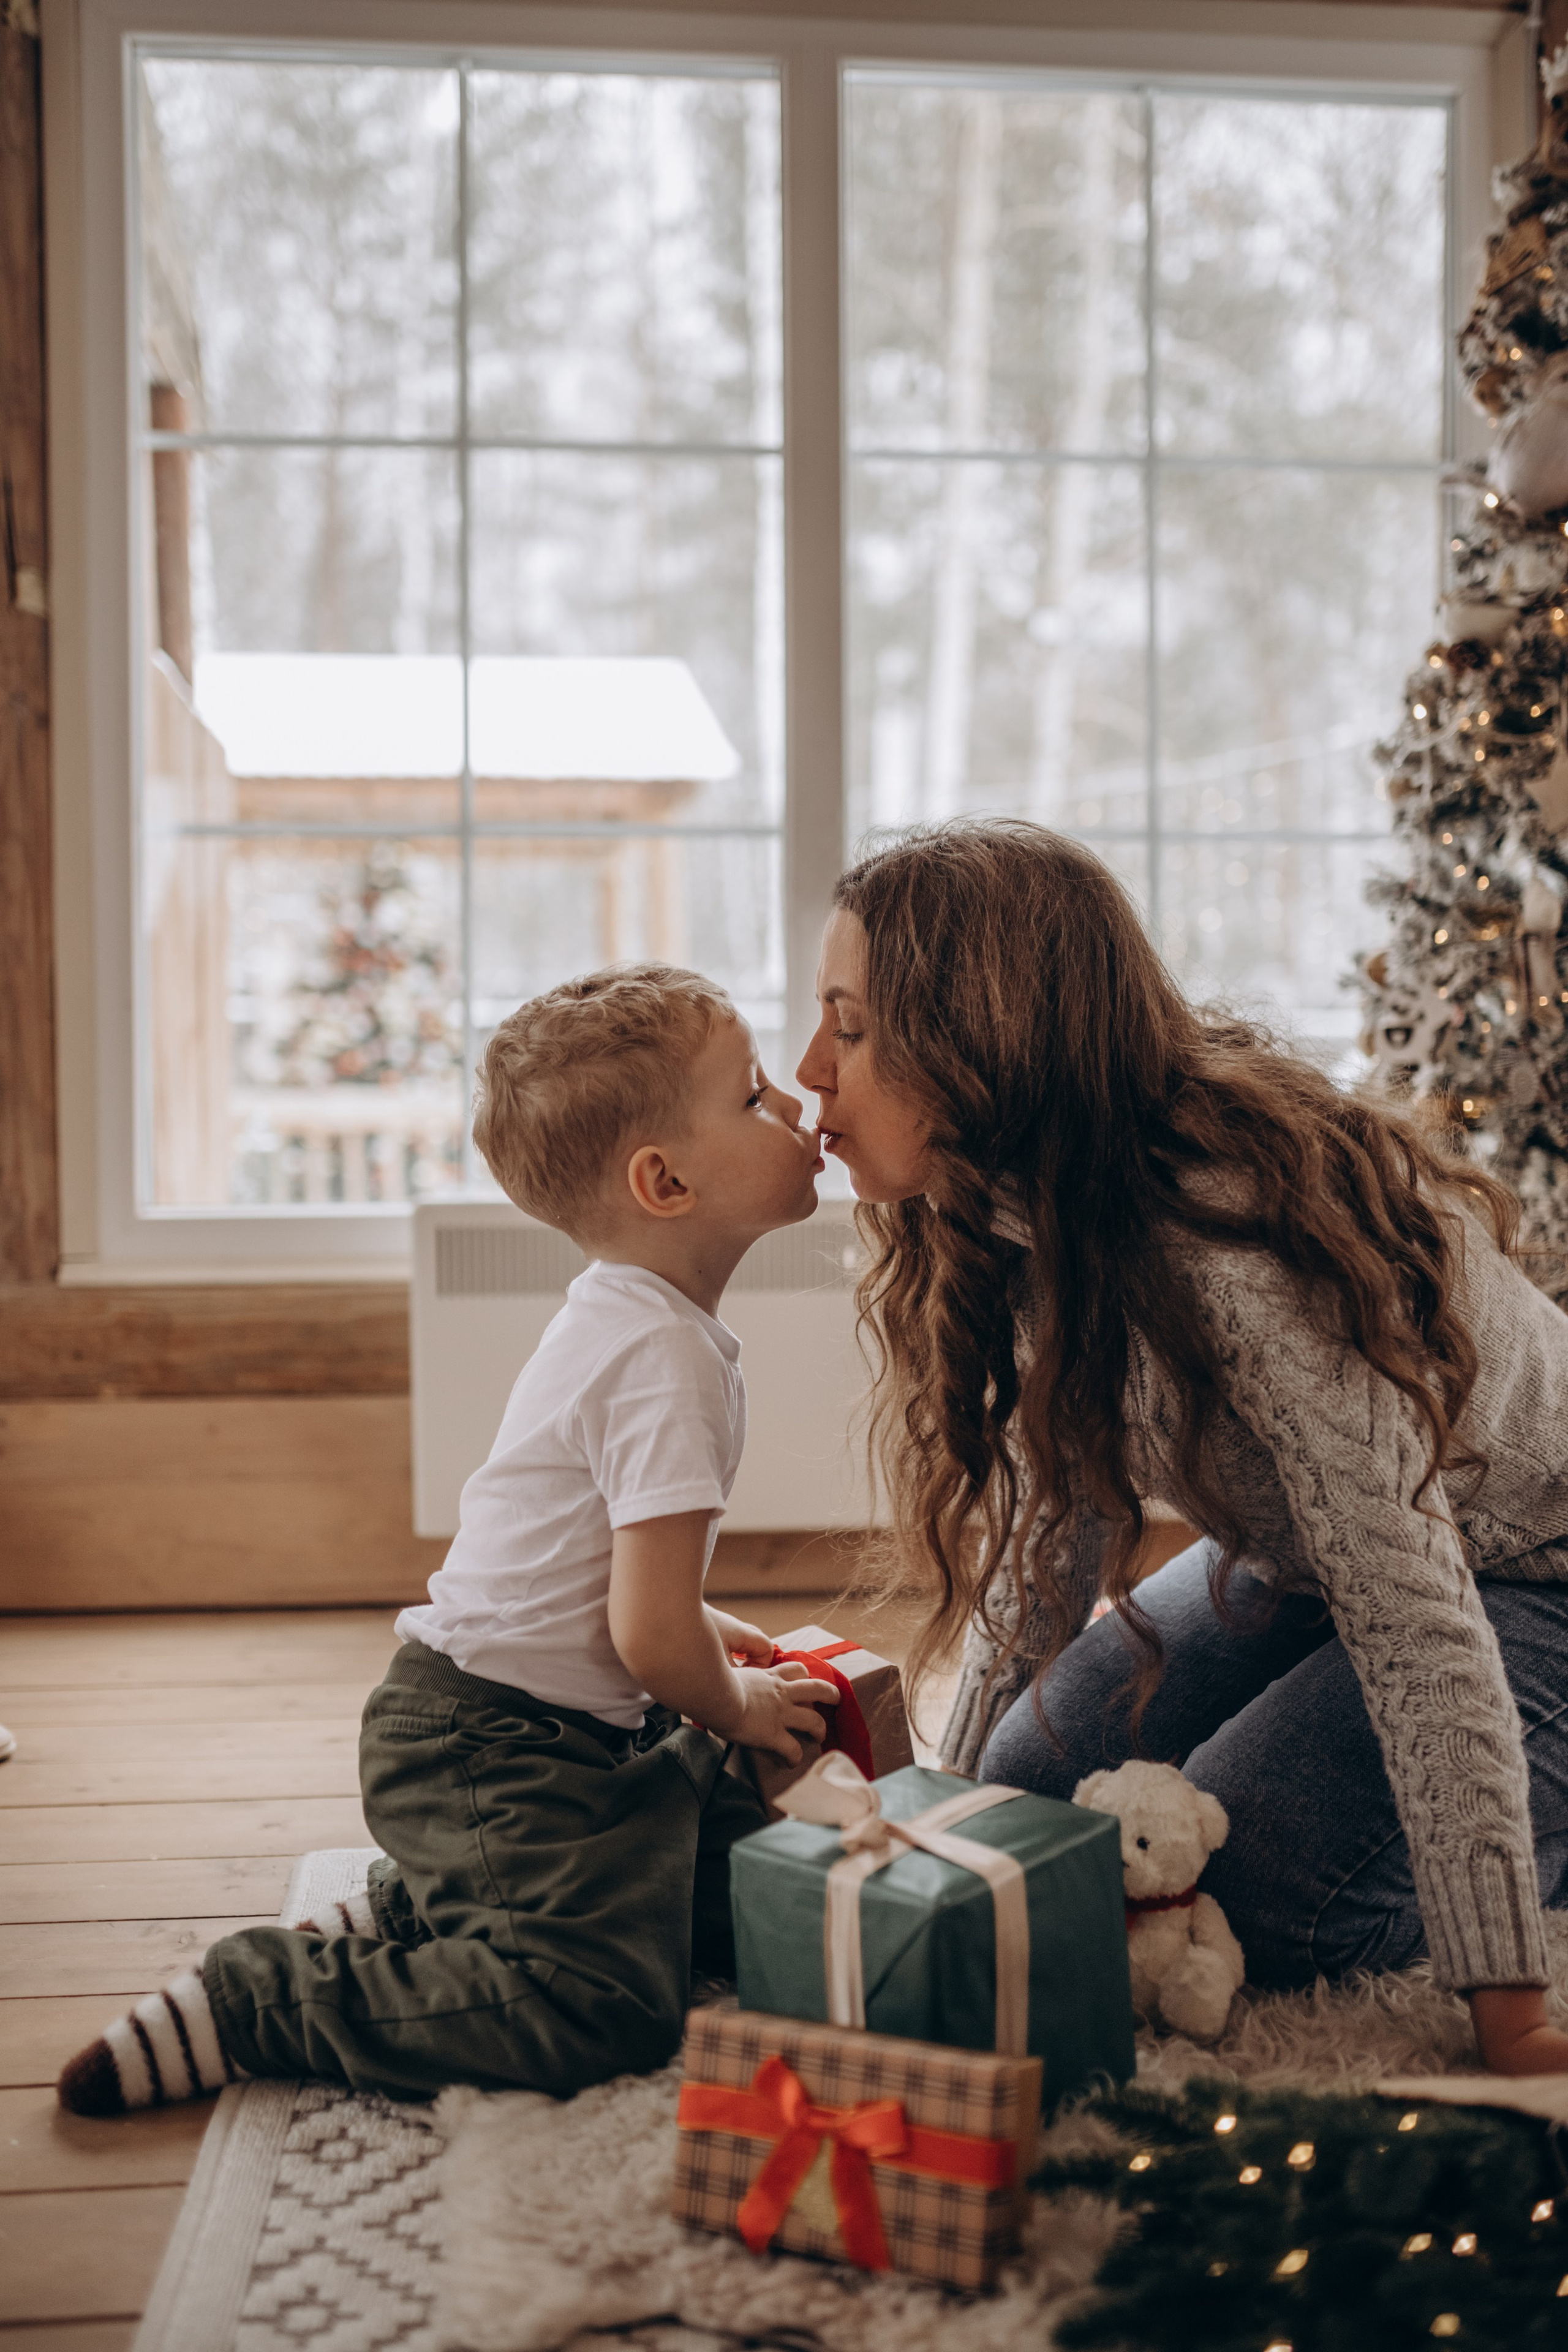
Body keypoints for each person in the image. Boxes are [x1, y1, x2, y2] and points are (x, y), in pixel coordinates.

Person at [796, 819, 1568, 2078]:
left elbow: (1412, 1617)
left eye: (850, 1024)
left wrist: (1509, 2009)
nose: (809, 1070)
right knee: (1030, 1786)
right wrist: (938, 1823)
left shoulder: (1229, 1248)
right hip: (1311, 1564)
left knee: (1257, 1883)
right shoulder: (1018, 1203)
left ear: (978, 1038)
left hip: (1530, 1575)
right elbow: (1062, 1527)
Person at [58, 965, 835, 2114]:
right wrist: (733, 1701)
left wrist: (715, 1641)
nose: (798, 1108)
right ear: (664, 1181)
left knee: (732, 1899)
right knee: (601, 2006)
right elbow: (647, 1633)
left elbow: (604, 1582)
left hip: (551, 1723)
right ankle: (260, 1998)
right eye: (757, 1095)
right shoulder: (663, 1357)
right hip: (490, 1742)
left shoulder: (640, 1319)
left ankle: (431, 1897)